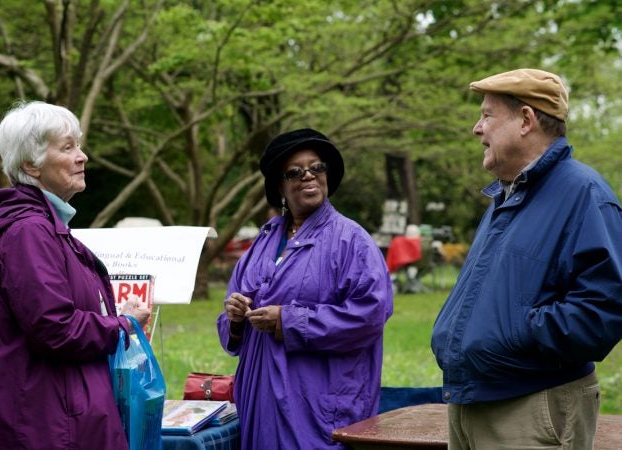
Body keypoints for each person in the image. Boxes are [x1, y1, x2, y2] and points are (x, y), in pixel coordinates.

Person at [431, 69, 622, 449]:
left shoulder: (584, 194)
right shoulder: (507, 197)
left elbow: (604, 309)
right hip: (474, 401)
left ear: (525, 120)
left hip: (532, 406)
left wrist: (520, 331)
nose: (476, 128)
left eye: (487, 115)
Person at [0, 101, 151, 449]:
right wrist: (124, 324)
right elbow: (56, 328)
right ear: (30, 165)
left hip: (58, 415)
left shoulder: (47, 229)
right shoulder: (29, 233)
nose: (83, 157)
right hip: (45, 425)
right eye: (68, 147)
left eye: (78, 145)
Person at [217, 128, 393, 449]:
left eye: (317, 167)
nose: (308, 176)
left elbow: (371, 315)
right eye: (295, 172)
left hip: (316, 405)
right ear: (280, 186)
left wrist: (288, 320)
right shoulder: (264, 240)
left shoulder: (351, 241)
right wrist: (235, 317)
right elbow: (229, 320)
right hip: (261, 400)